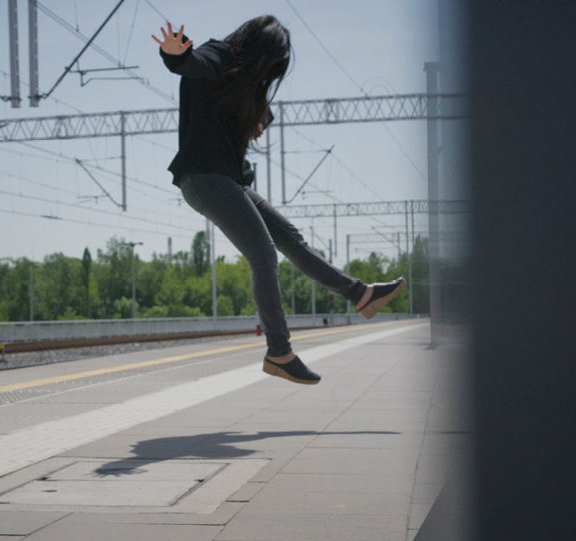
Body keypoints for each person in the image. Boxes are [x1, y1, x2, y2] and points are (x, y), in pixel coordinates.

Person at [152, 16, 405, 385]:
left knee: (290, 239)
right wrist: (174, 55)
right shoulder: (220, 54)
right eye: (269, 65)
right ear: (258, 52)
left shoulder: (248, 91)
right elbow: (194, 63)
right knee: (264, 255)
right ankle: (279, 352)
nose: (269, 75)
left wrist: (257, 117)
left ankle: (360, 294)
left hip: (227, 180)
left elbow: (248, 121)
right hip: (205, 179)